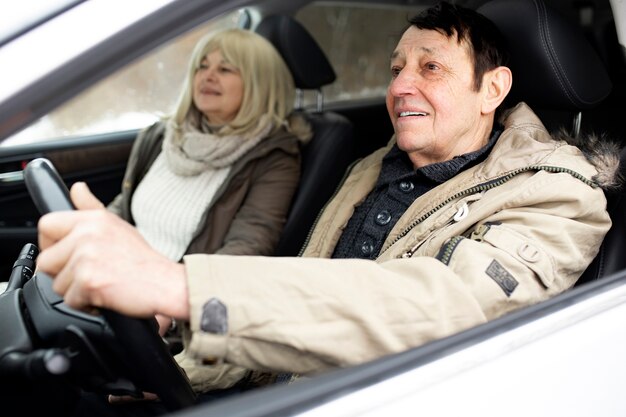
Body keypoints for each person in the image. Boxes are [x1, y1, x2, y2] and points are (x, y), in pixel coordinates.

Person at [37, 0, 618, 411]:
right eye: (396, 69)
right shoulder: (376, 165)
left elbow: (443, 310)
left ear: (493, 89)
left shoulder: (558, 194)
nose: (399, 86)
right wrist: (186, 373)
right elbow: (313, 291)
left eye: (431, 67)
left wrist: (180, 286)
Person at [108, 28, 310, 263]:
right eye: (202, 66)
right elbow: (123, 205)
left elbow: (247, 247)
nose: (208, 76)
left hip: (176, 289)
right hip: (117, 264)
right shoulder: (164, 134)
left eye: (224, 69)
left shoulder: (274, 158)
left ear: (258, 85)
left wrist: (167, 282)